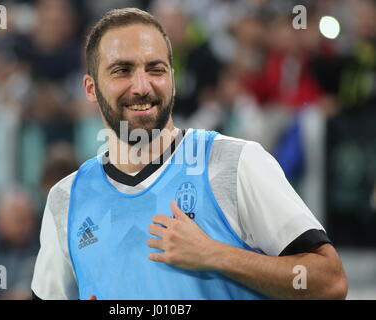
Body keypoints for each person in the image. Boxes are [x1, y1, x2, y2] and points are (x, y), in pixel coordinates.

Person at [31, 8, 347, 300]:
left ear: (172, 78)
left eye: (155, 69)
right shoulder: (66, 199)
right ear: (90, 88)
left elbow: (329, 282)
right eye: (122, 70)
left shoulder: (236, 163)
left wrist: (216, 254)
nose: (142, 86)